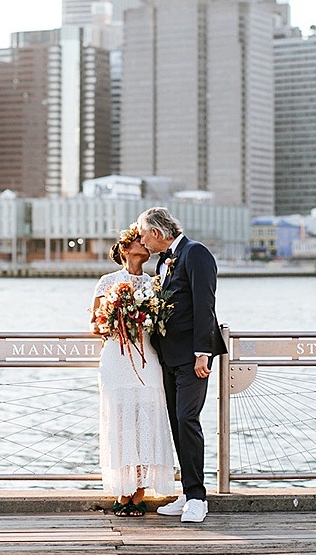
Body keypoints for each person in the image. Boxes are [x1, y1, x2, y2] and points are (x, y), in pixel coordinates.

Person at [137, 206, 227, 524]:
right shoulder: (163, 263)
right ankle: (187, 493)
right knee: (176, 422)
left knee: (188, 420)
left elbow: (205, 304)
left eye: (144, 234)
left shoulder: (195, 253)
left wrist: (203, 352)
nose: (142, 240)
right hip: (168, 356)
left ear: (158, 233)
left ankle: (199, 499)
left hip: (192, 356)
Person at [91, 225, 176, 517]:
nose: (144, 243)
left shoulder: (155, 284)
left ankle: (139, 492)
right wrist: (116, 320)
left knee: (145, 423)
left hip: (147, 359)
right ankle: (122, 491)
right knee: (120, 423)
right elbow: (94, 324)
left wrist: (142, 323)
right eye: (138, 240)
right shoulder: (107, 282)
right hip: (116, 358)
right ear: (126, 249)